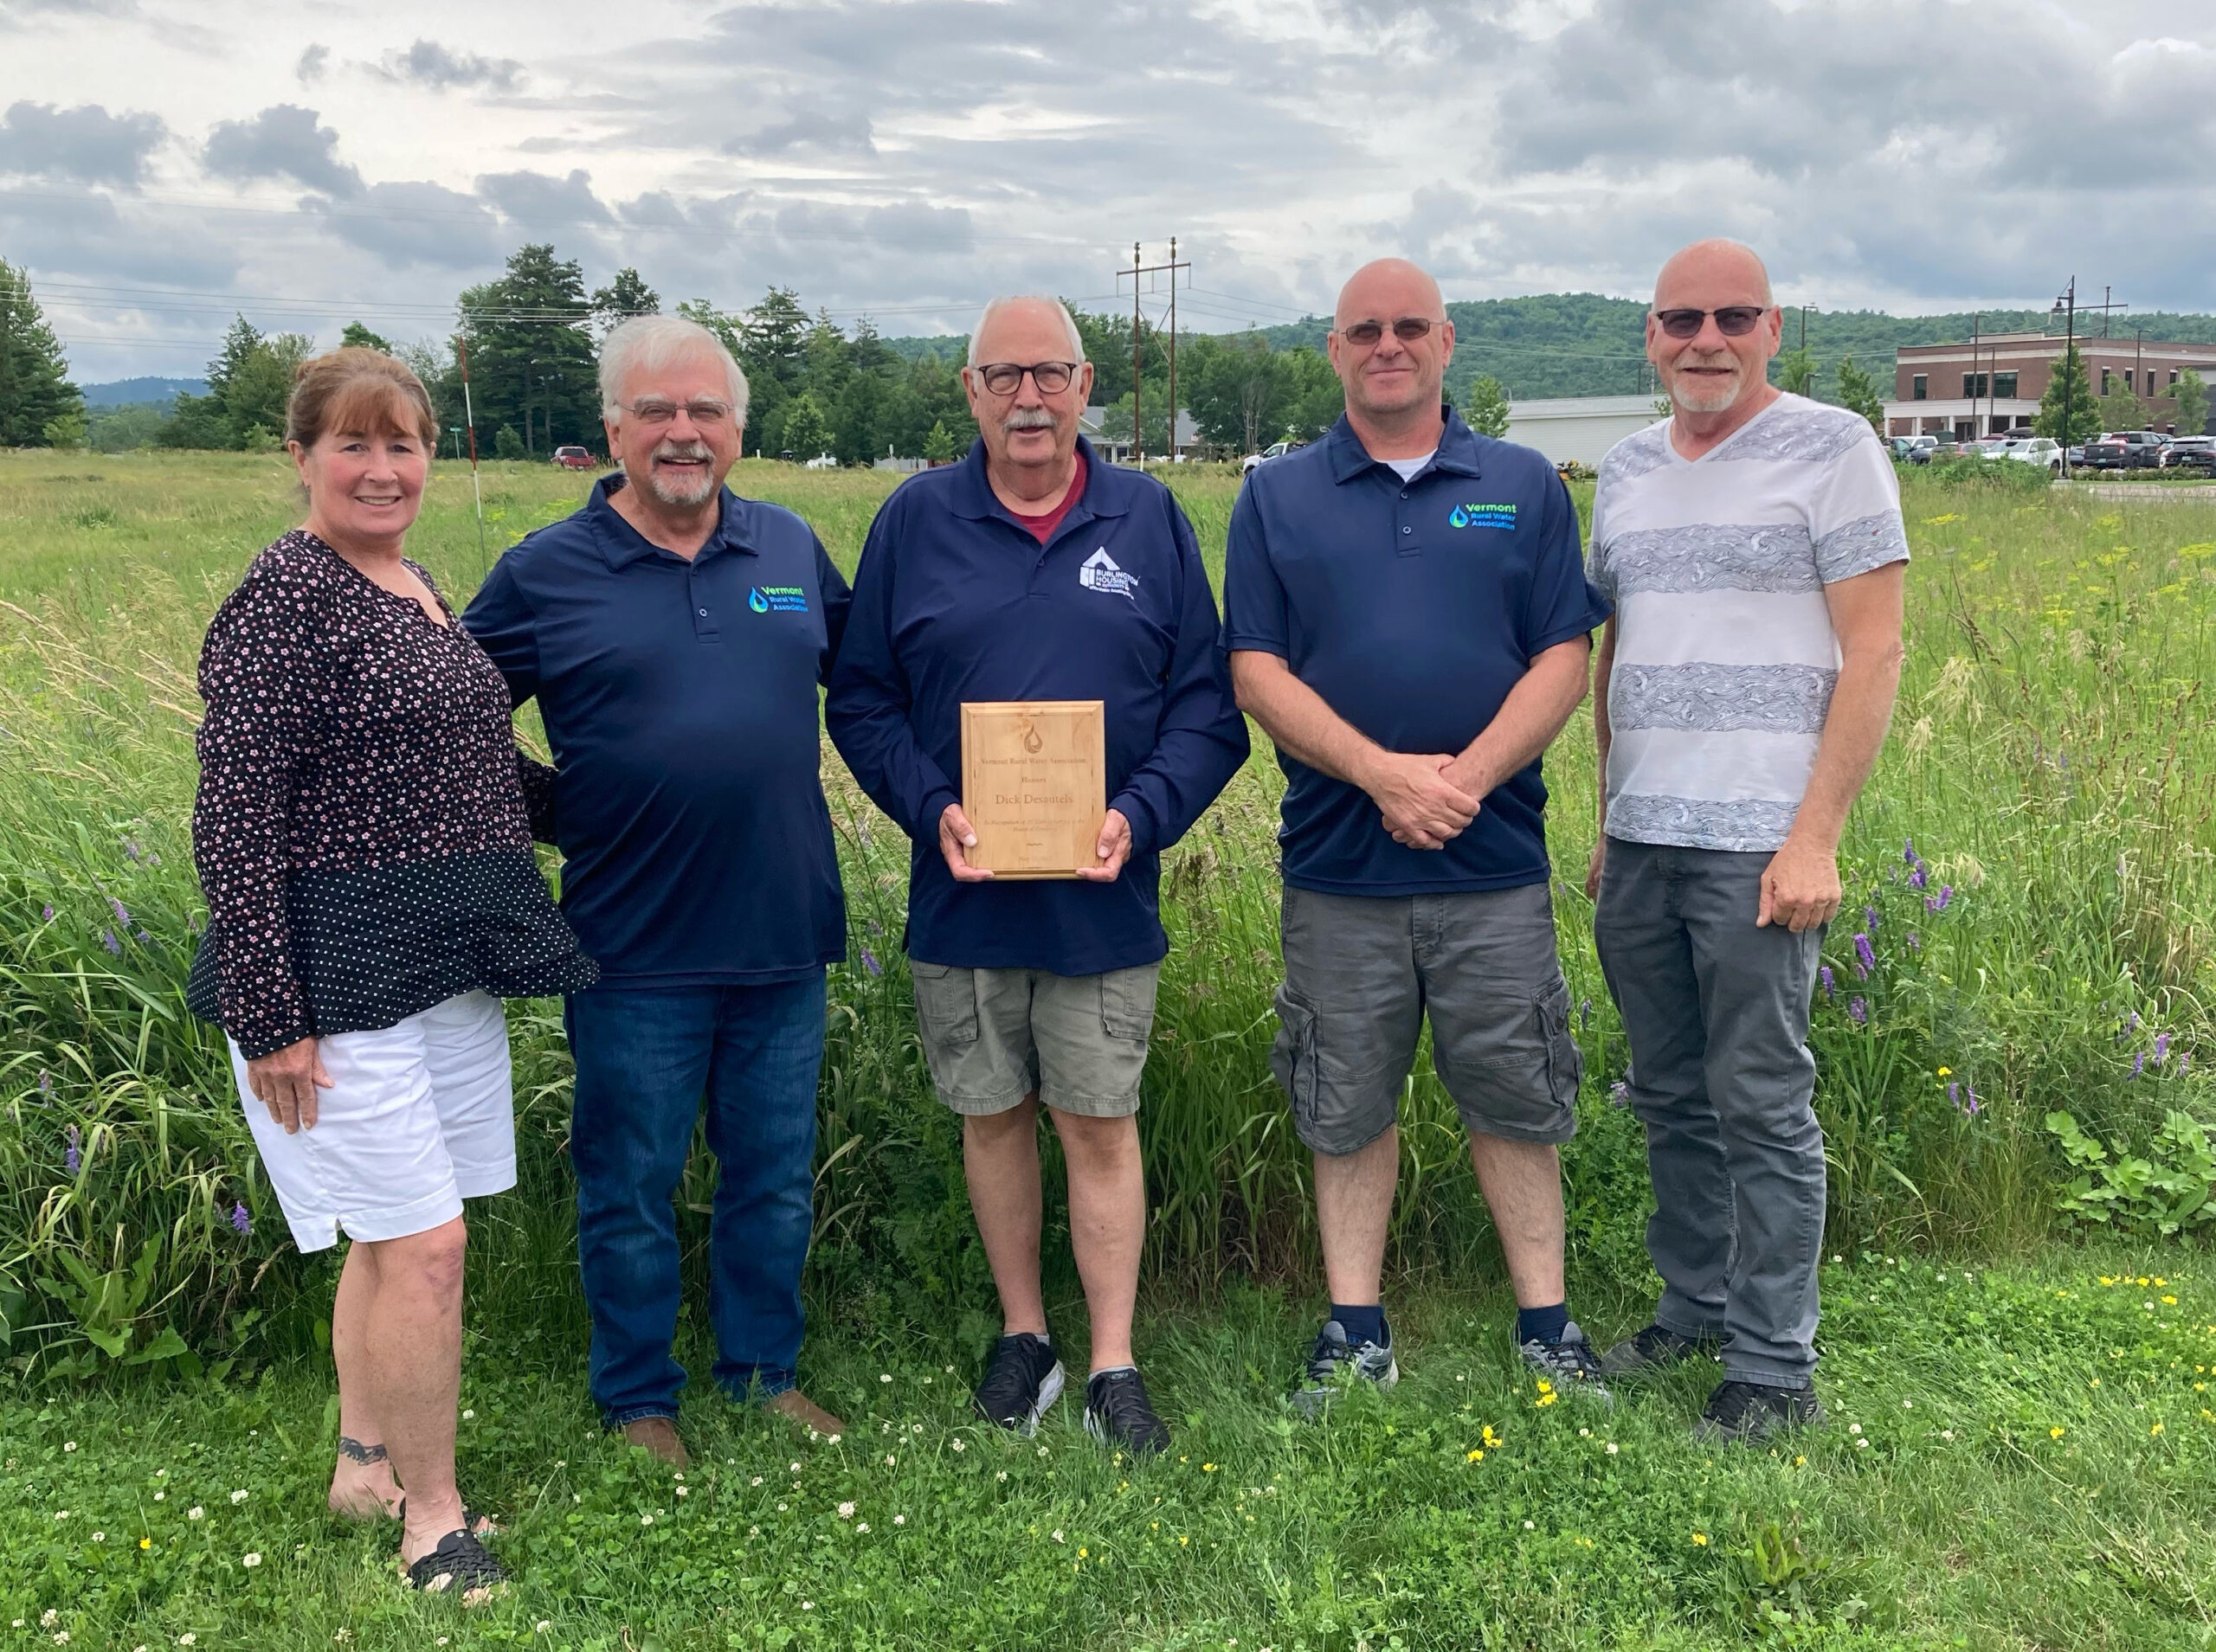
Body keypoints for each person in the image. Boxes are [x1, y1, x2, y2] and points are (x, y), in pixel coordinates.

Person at [188, 347, 596, 1597]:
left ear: (433, 455)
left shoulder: (413, 581)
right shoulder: (286, 597)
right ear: (300, 456)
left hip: (446, 963)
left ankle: (364, 1462)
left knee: (386, 1240)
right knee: (427, 1247)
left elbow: (466, 771)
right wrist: (269, 1013)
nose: (382, 467)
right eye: (354, 444)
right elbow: (234, 814)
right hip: (339, 975)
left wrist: (631, 805)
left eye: (403, 442)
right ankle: (434, 1519)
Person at [827, 294, 1248, 1455]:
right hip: (961, 895)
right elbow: (859, 701)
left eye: (1049, 373)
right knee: (992, 1116)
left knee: (1100, 1121)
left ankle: (1113, 1355)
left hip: (1101, 897)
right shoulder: (914, 521)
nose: (1027, 397)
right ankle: (1027, 1336)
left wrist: (1139, 816)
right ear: (969, 391)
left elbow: (1209, 714)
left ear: (1084, 382)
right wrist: (932, 807)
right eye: (1002, 376)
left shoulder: (1150, 520)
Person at [1221, 258, 1612, 1417]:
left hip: (1492, 864)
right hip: (1340, 863)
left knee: (1515, 1089)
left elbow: (1562, 655)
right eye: (1362, 331)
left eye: (1408, 328)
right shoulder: (1277, 495)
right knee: (1344, 1097)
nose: (1386, 345)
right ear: (1335, 353)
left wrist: (1469, 778)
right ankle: (1356, 1328)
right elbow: (1256, 667)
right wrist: (1384, 774)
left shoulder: (1524, 483)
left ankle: (1547, 1322)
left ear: (1445, 344)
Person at [462, 315, 851, 1468]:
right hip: (630, 946)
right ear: (613, 427)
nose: (684, 432)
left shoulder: (789, 550)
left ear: (738, 427)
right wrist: (555, 807)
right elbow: (453, 717)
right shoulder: (543, 572)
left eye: (706, 412)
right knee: (628, 1181)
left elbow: (875, 688)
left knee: (773, 1177)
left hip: (784, 931)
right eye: (657, 412)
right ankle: (637, 1398)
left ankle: (763, 1373)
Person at [1585, 239, 1907, 1443]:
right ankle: (1696, 1302)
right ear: (1651, 334)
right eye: (1680, 320)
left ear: (1774, 326)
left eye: (1731, 317)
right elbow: (1623, 652)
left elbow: (1873, 650)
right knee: (1668, 1091)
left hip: (1763, 845)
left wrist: (1815, 834)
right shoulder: (1622, 470)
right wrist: (1610, 815)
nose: (1703, 340)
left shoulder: (1834, 450)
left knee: (1762, 1099)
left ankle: (1774, 1361)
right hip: (1645, 833)